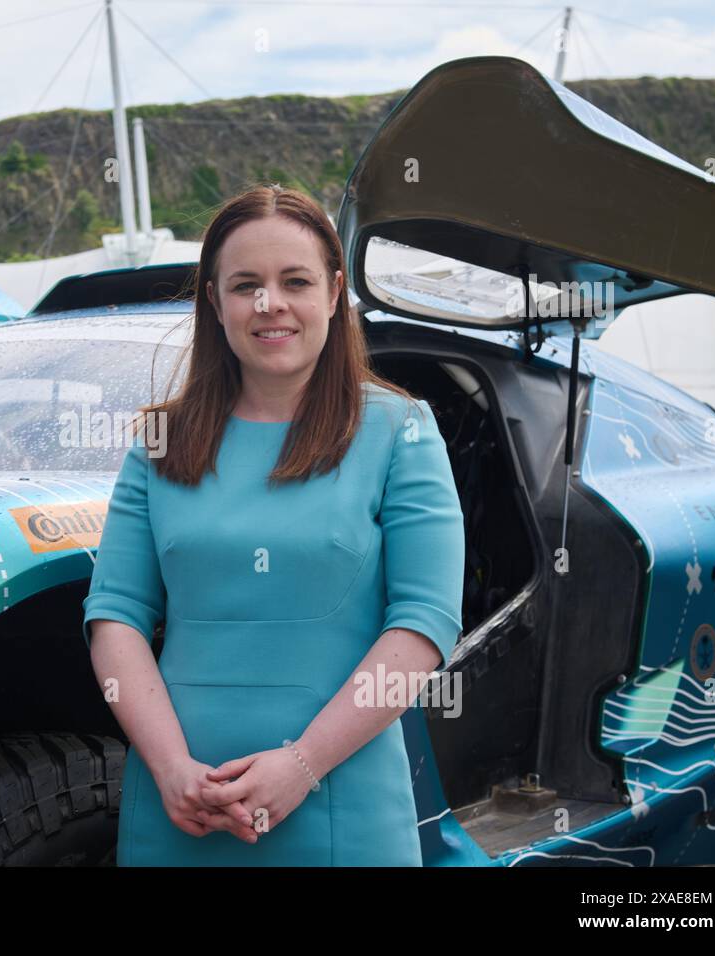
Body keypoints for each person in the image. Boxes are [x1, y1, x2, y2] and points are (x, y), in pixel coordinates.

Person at [81, 183, 466, 866]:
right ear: (213, 299)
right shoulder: (159, 441)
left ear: (334, 291)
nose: (270, 304)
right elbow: (115, 616)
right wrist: (172, 769)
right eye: (245, 285)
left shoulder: (399, 430)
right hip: (181, 810)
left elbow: (424, 625)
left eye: (295, 281)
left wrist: (302, 765)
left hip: (341, 807)